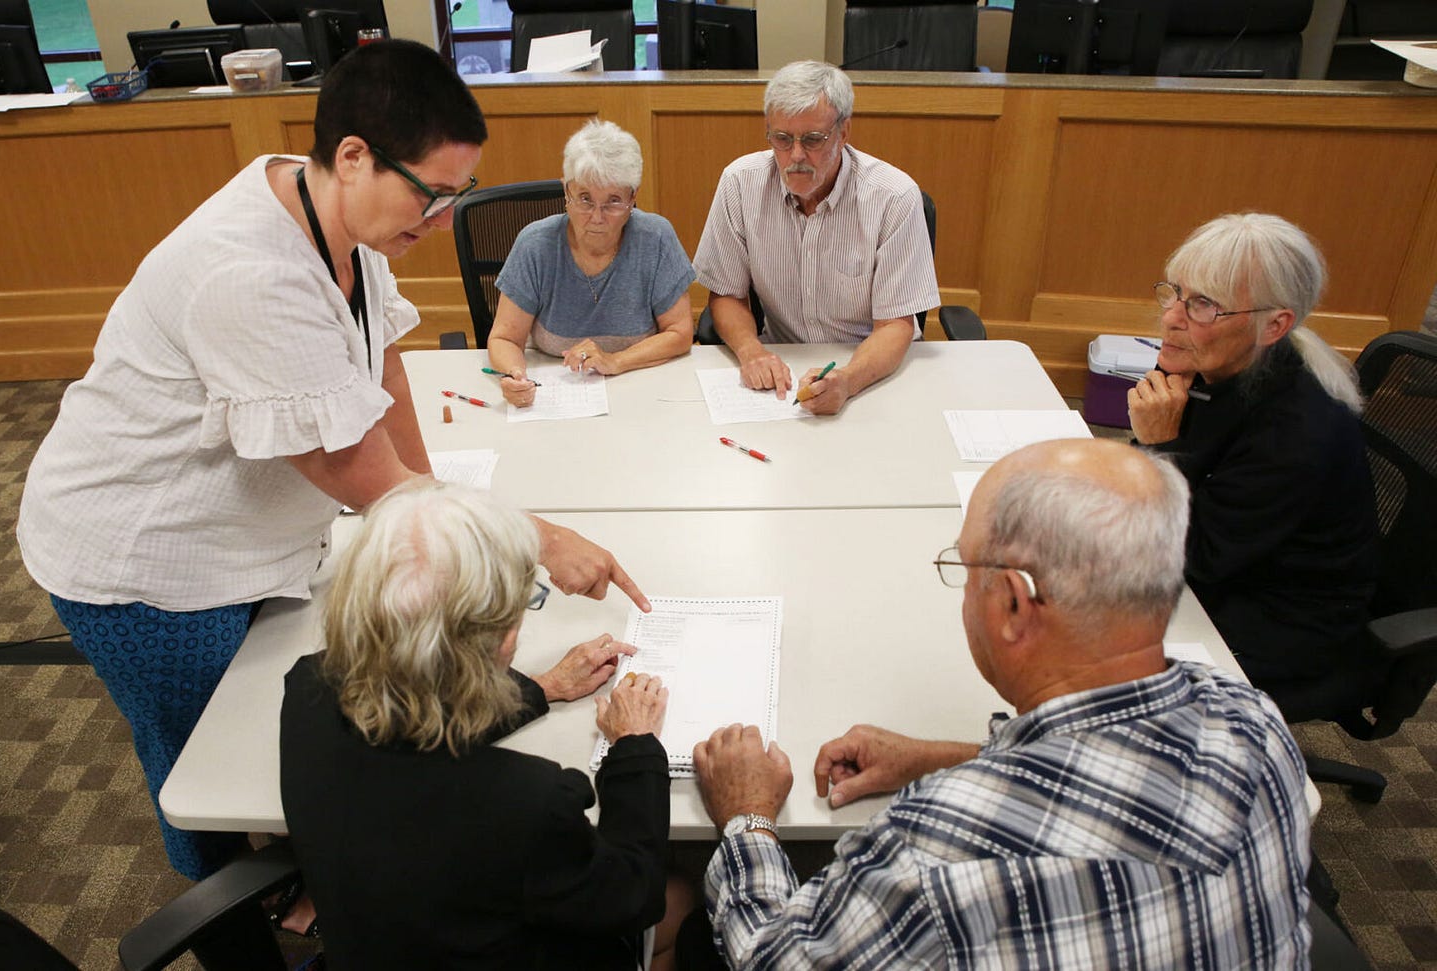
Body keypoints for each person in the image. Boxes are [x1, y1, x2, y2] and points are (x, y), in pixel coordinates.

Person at [14, 40, 645, 883]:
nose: (444, 221)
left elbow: (382, 369)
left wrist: (438, 503)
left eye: (456, 196)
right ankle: (232, 908)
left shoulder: (336, 206)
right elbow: (358, 473)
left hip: (255, 539)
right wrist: (528, 538)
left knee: (295, 745)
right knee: (208, 770)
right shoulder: (248, 272)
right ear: (353, 156)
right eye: (433, 196)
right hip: (149, 559)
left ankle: (314, 881)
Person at [691, 438, 1312, 968]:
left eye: (964, 570)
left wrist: (748, 815)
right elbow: (1110, 775)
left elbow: (772, 959)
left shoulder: (933, 858)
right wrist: (937, 758)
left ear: (1013, 604)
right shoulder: (1251, 717)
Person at [281, 481, 672, 969]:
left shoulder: (306, 688)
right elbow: (633, 897)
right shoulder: (529, 802)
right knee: (680, 900)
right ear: (500, 641)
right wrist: (635, 747)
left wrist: (542, 687)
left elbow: (410, 725)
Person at [1127, 212, 1378, 707]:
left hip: (1280, 620)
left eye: (1203, 304)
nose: (1172, 317)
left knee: (1081, 648)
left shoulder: (1298, 432)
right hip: (1226, 563)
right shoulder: (1213, 360)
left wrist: (1158, 449)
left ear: (1274, 325)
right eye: (1175, 292)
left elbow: (1192, 556)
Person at [693, 60, 939, 416]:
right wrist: (752, 352)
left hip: (870, 371)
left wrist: (848, 381)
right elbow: (727, 295)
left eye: (812, 140)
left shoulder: (894, 197)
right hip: (783, 370)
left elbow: (895, 325)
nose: (795, 156)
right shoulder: (740, 183)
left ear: (844, 132)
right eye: (781, 139)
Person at [489, 119, 694, 407]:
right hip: (553, 393)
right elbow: (505, 339)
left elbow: (680, 332)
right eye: (584, 199)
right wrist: (515, 376)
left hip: (643, 393)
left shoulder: (656, 238)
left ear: (633, 197)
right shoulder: (535, 245)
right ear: (566, 191)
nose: (597, 217)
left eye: (613, 201)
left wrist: (615, 361)